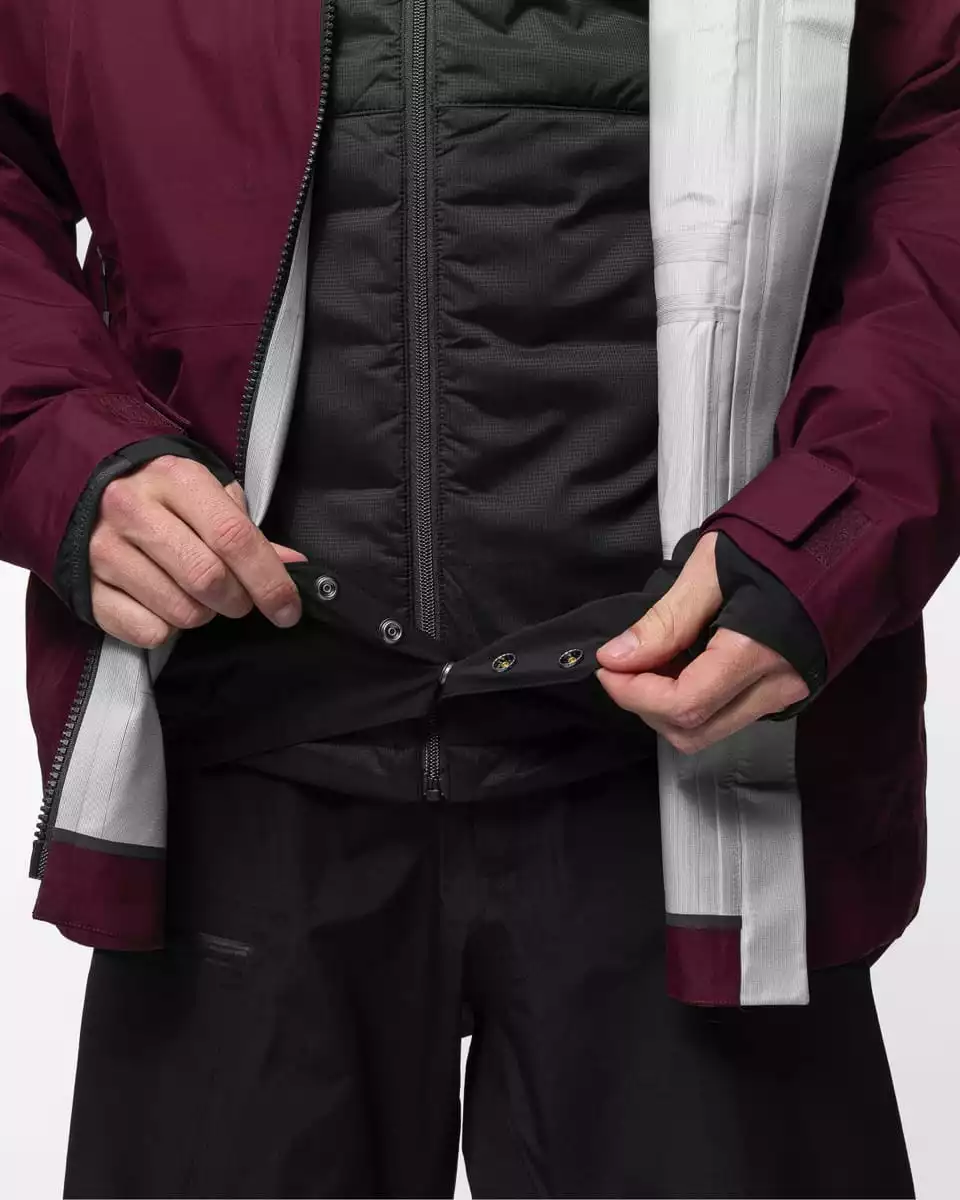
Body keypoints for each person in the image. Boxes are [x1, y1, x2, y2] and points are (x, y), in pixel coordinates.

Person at [1, 1, 957, 1196]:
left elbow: (939, 132)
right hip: (234, 744)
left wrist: (830, 527)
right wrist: (61, 442)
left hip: (690, 747)